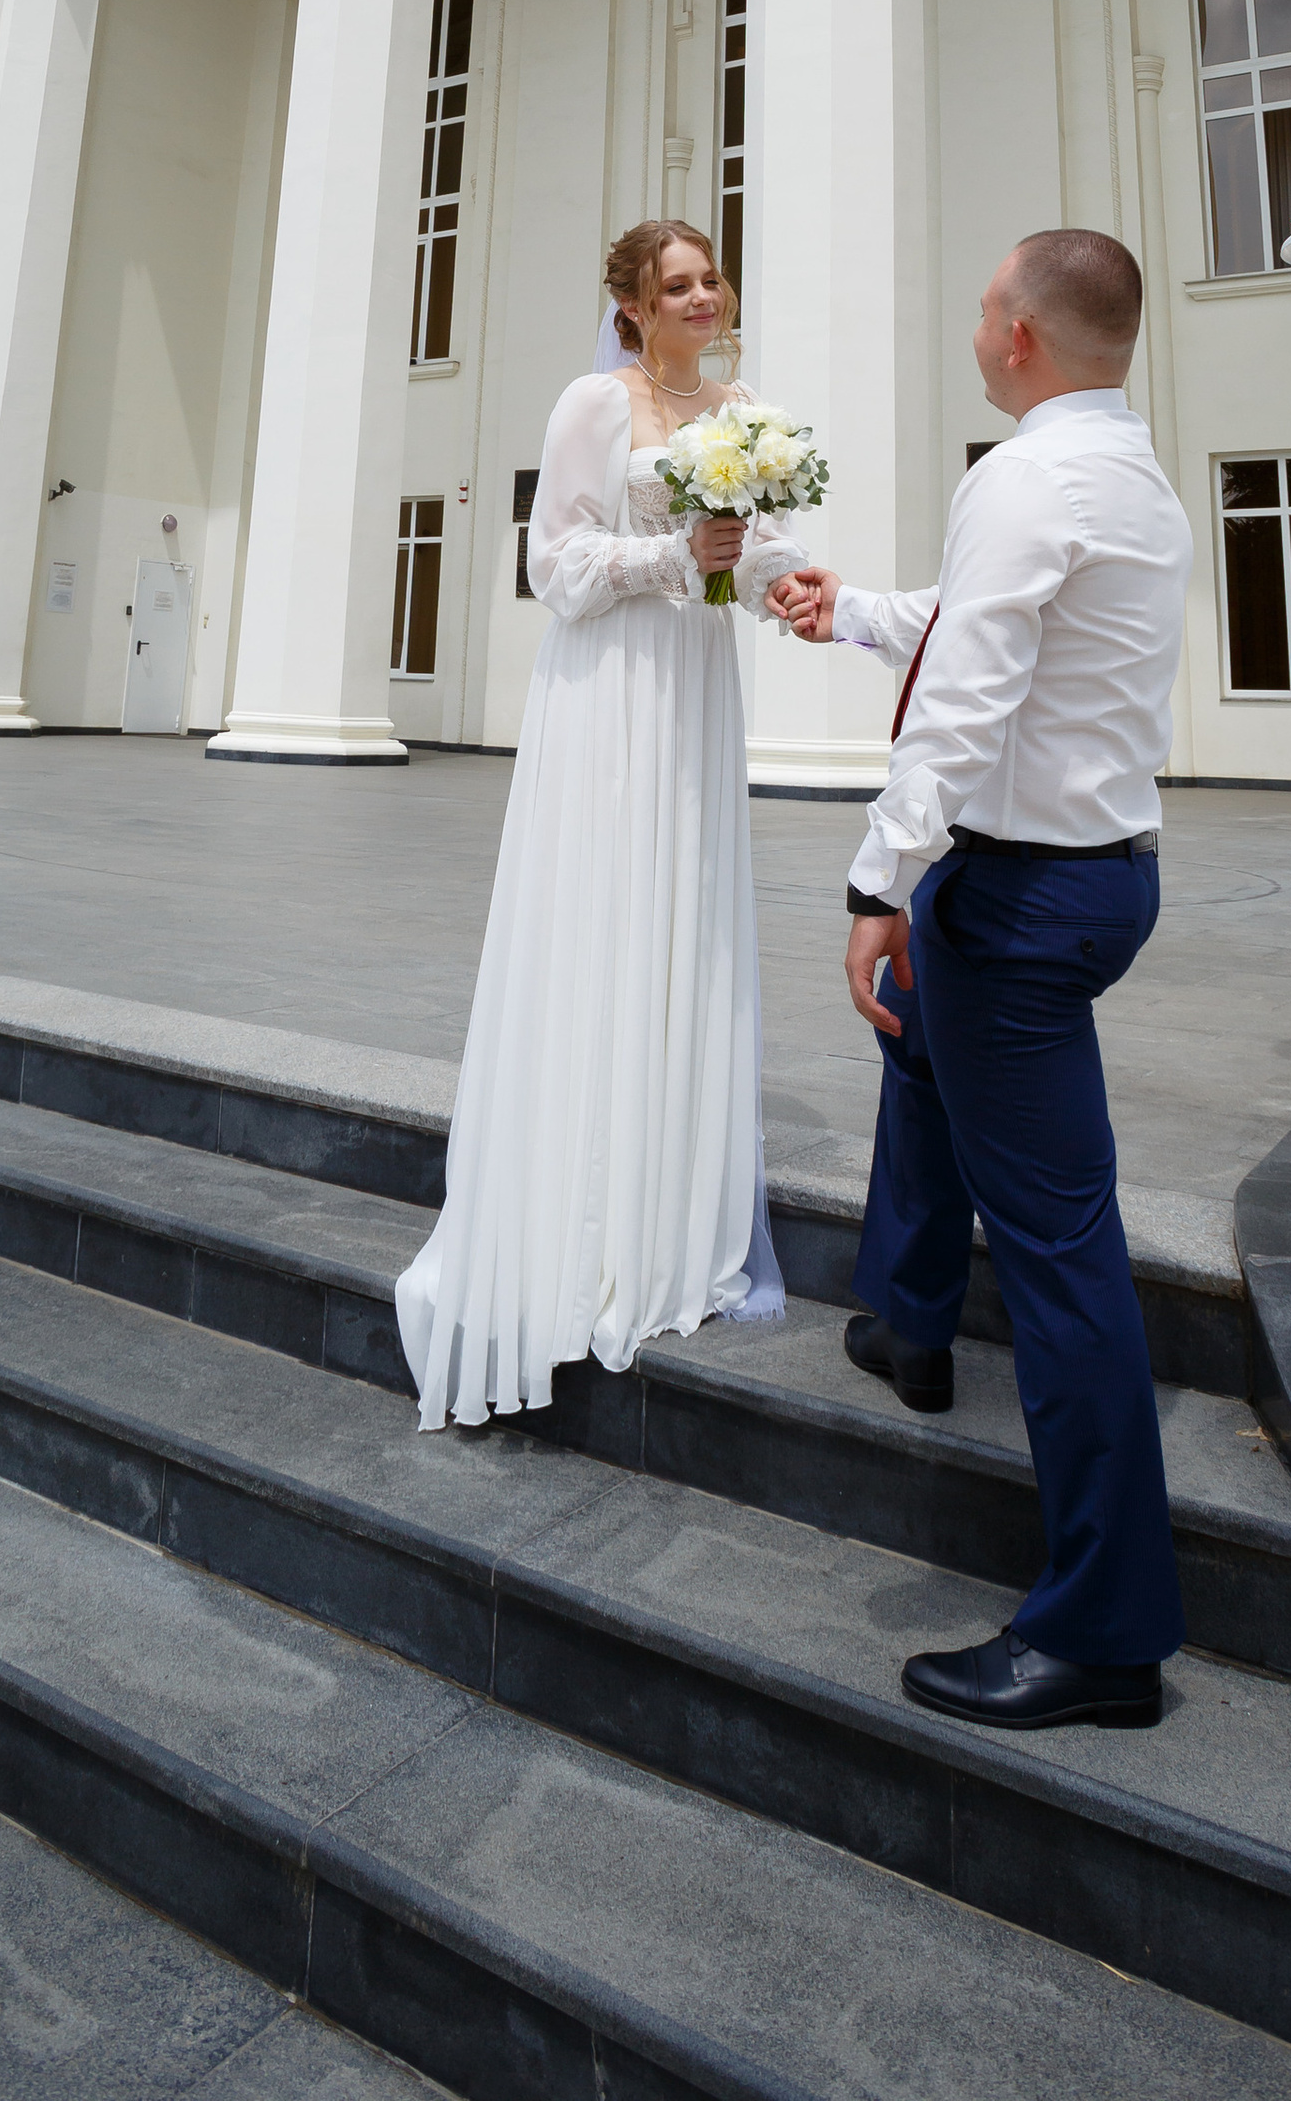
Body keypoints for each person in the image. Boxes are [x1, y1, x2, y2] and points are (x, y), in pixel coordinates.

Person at [767, 227, 1193, 1730]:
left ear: (1018, 336)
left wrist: (878, 882)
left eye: (984, 306)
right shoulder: (1128, 471)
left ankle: (1106, 1630)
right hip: (1099, 875)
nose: (976, 325)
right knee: (922, 1047)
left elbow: (963, 708)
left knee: (1067, 1249)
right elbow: (992, 634)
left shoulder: (1020, 476)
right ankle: (908, 1313)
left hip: (1015, 894)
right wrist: (853, 611)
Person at [394, 220, 792, 1429]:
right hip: (610, 693)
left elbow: (760, 548)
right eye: (675, 283)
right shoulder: (593, 403)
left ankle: (670, 1210)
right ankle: (580, 1210)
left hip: (692, 691)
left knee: (682, 924)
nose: (701, 294)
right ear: (628, 304)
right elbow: (552, 565)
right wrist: (677, 554)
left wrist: (791, 581)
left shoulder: (744, 409)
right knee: (605, 921)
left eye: (711, 275)